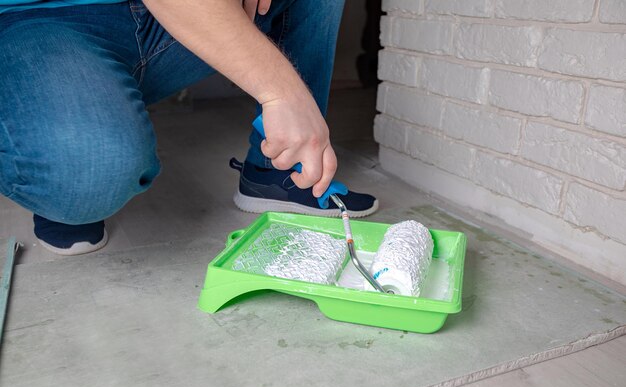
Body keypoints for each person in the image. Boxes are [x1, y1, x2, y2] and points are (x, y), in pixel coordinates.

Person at [0, 0, 378, 255]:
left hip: (162, 18)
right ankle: (56, 168)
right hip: (35, 21)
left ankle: (277, 174)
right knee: (87, 168)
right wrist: (283, 93)